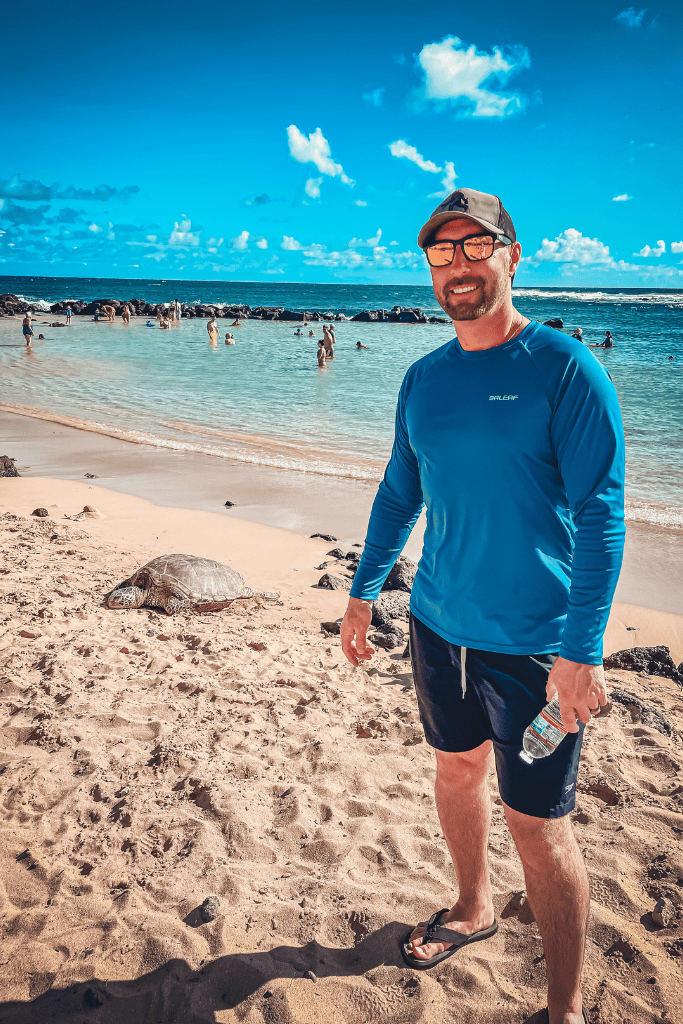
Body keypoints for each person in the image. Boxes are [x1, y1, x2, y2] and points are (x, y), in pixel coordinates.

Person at [339, 188, 624, 1024]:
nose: (457, 265)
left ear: (510, 255)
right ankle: (472, 906)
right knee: (454, 773)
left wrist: (582, 651)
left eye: (474, 246)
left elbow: (602, 516)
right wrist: (363, 593)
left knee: (538, 828)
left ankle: (564, 1008)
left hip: (535, 647)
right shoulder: (423, 378)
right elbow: (400, 493)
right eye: (440, 252)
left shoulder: (565, 368)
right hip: (435, 625)